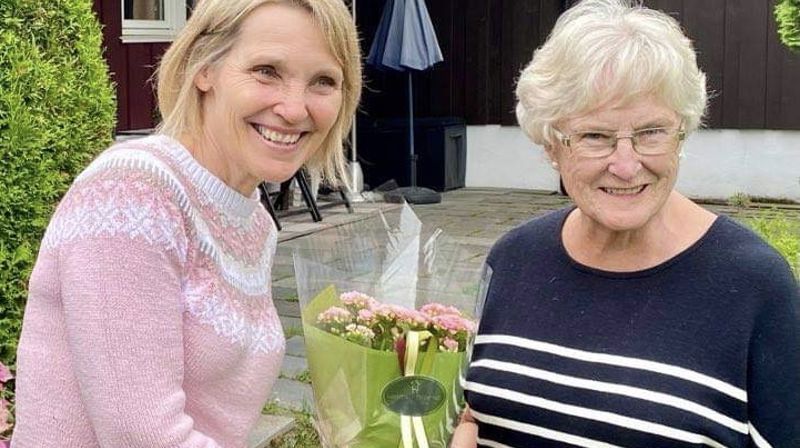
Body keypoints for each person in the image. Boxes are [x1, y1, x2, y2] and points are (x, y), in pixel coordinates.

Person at [11, 0, 361, 446]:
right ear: (204, 68)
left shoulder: (253, 221)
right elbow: (139, 432)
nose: (294, 109)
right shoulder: (134, 190)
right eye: (267, 71)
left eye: (323, 81)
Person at [453, 0, 800, 447]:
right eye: (595, 136)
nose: (625, 164)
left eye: (651, 132)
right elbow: (474, 412)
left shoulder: (754, 285)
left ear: (683, 133)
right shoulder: (513, 258)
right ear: (550, 145)